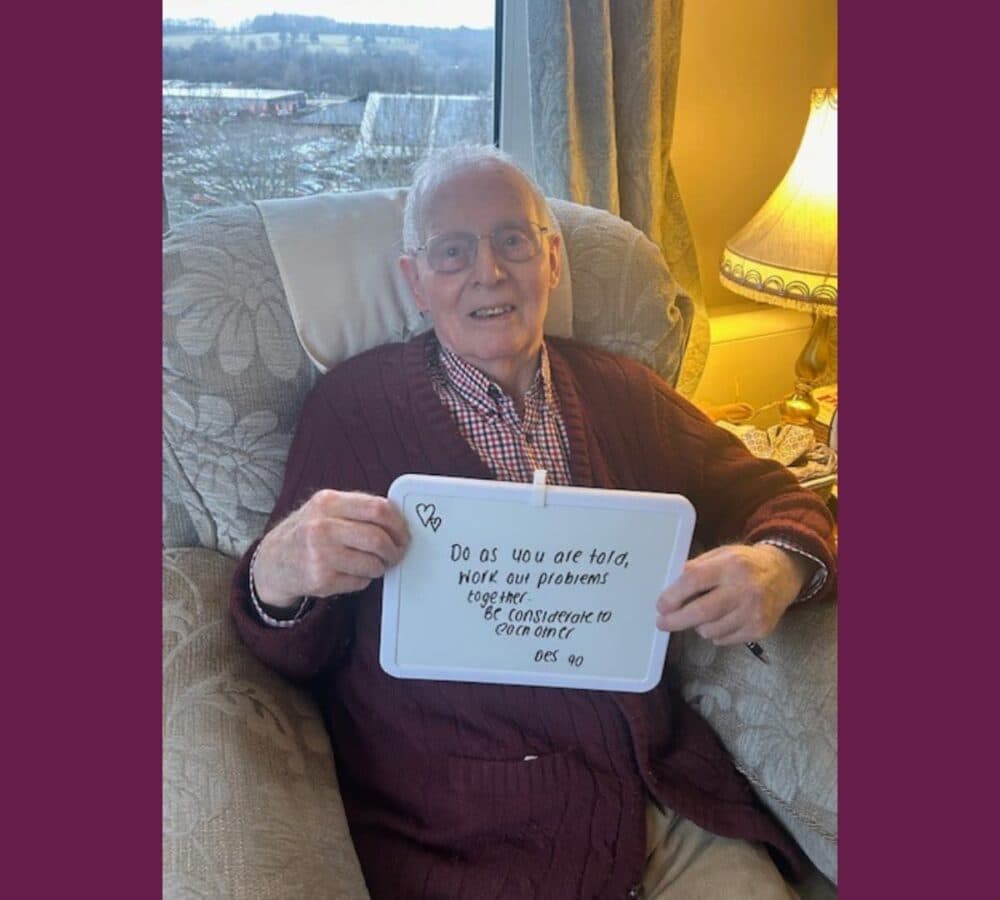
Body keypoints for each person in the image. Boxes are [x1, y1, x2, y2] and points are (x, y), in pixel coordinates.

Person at [231, 145, 836, 899]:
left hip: (660, 802)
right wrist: (280, 570)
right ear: (416, 284)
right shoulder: (352, 411)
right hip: (461, 830)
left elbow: (778, 495)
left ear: (551, 260)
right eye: (452, 253)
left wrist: (775, 566)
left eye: (512, 241)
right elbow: (291, 652)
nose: (488, 272)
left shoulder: (624, 394)